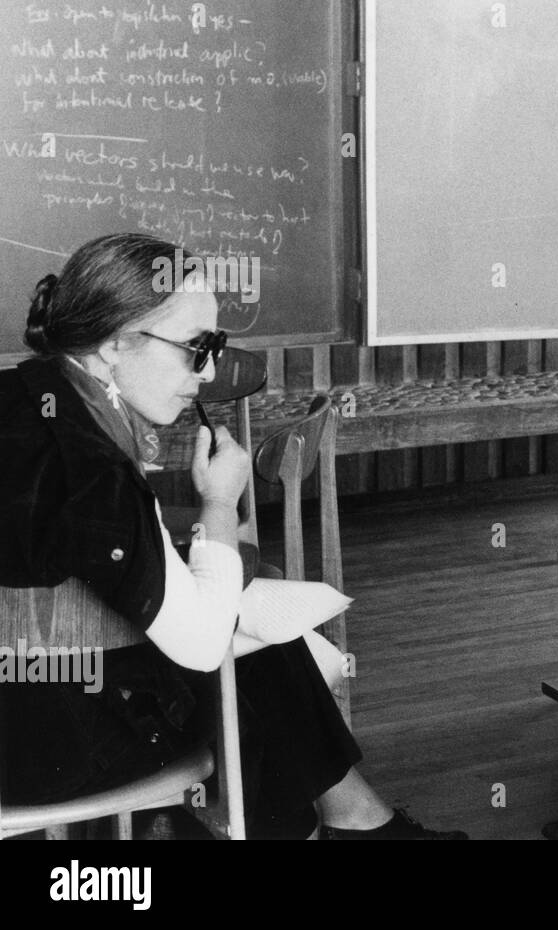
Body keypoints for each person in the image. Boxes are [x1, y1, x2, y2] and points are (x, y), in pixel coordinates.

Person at [0, 233, 465, 840]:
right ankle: (348, 822)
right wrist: (219, 503)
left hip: (27, 710)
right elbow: (197, 641)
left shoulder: (25, 396)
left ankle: (352, 819)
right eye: (195, 348)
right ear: (115, 342)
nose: (211, 370)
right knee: (248, 651)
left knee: (248, 634)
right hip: (45, 754)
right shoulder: (92, 462)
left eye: (214, 346)